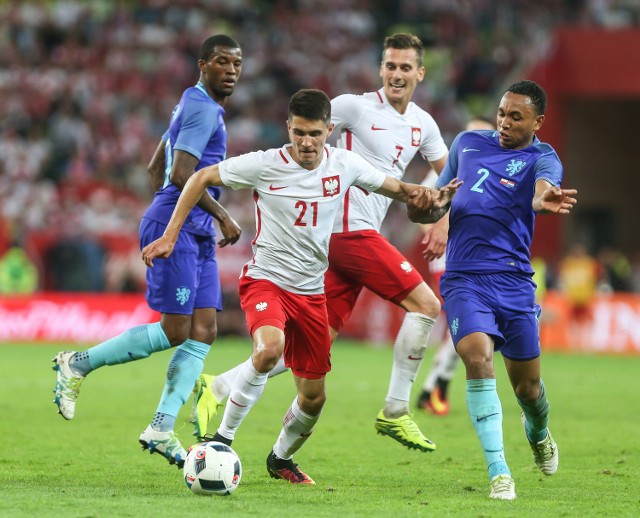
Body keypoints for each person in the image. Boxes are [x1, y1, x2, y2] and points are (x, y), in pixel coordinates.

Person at [141, 89, 459, 484]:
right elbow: (201, 176)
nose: (307, 143)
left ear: (329, 130)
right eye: (299, 133)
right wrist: (171, 235)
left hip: (311, 293)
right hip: (266, 282)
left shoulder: (345, 164)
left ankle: (279, 459)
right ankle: (221, 441)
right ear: (288, 128)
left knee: (313, 398)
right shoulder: (264, 164)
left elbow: (399, 190)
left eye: (315, 134)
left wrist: (431, 197)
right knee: (269, 348)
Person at [193, 33, 450, 453]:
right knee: (426, 305)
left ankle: (219, 386)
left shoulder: (424, 124)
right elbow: (311, 137)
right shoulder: (354, 106)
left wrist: (438, 219)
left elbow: (445, 167)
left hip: (344, 245)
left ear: (420, 73)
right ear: (380, 68)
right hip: (345, 232)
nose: (396, 74)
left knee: (311, 348)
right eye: (390, 66)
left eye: (405, 67)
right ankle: (396, 409)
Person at [51, 35, 243, 468]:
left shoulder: (190, 102)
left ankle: (160, 426)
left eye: (237, 63)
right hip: (181, 227)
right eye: (222, 62)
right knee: (176, 331)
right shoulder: (202, 109)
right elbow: (179, 173)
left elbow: (156, 166)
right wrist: (219, 215)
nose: (231, 70)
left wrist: (181, 211)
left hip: (192, 231)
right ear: (202, 65)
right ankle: (76, 364)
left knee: (205, 329)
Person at [410, 80, 577, 500]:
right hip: (465, 277)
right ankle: (499, 471)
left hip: (514, 282)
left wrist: (544, 200)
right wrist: (427, 207)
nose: (504, 122)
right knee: (477, 359)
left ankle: (537, 431)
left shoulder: (543, 156)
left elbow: (542, 192)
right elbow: (436, 199)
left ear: (538, 122)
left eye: (515, 116)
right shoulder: (466, 143)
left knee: (528, 390)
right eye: (502, 112)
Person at [416, 116, 496, 416]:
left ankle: (433, 389)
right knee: (464, 327)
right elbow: (421, 215)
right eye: (470, 133)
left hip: (481, 260)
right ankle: (435, 388)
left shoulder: (493, 172)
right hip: (450, 263)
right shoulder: (446, 170)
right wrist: (442, 229)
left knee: (467, 328)